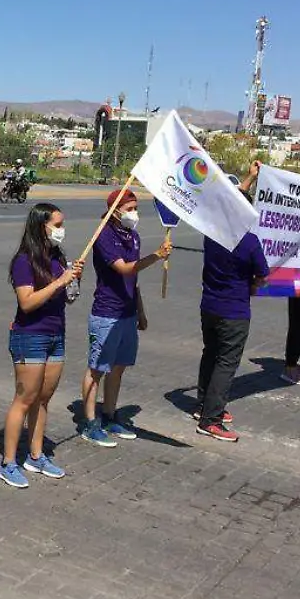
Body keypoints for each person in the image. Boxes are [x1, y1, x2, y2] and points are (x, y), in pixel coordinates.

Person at [0, 203, 84, 488]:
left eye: (62, 224)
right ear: (40, 226)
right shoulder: (24, 261)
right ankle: (8, 462)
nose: (61, 230)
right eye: (57, 225)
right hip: (30, 336)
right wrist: (60, 282)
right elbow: (27, 302)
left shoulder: (58, 257)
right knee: (24, 399)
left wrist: (74, 281)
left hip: (56, 335)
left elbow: (69, 298)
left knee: (43, 398)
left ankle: (36, 455)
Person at [79, 190, 171, 447]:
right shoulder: (104, 235)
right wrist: (156, 256)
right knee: (97, 368)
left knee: (118, 368)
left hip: (127, 313)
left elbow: (134, 279)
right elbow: (123, 268)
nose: (134, 213)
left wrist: (140, 311)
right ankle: (90, 422)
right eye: (129, 208)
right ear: (115, 210)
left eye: (136, 208)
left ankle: (110, 415)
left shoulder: (133, 236)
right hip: (107, 313)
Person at [194, 185, 269, 442]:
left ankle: (202, 404)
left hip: (209, 306)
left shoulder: (211, 234)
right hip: (234, 311)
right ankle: (210, 419)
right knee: (226, 364)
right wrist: (254, 284)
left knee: (210, 354)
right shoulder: (249, 241)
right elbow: (262, 275)